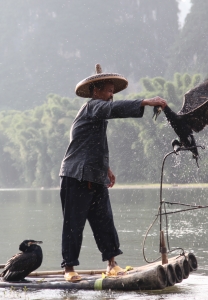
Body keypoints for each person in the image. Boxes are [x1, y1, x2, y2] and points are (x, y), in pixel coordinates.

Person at [59, 64, 167, 282]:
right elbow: (113, 109)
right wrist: (144, 102)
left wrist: (106, 168)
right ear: (96, 92)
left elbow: (91, 144)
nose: (111, 95)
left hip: (95, 176)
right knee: (74, 224)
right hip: (76, 176)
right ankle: (69, 269)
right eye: (108, 91)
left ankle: (112, 265)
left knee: (105, 221)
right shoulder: (93, 108)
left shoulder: (97, 116)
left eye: (112, 92)